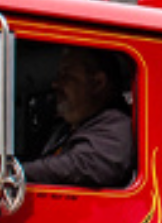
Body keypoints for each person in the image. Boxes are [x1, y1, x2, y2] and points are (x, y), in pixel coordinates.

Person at [23, 48, 135, 188]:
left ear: (98, 82)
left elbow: (83, 166)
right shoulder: (63, 130)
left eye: (66, 75)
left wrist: (16, 173)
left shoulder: (118, 125)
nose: (55, 84)